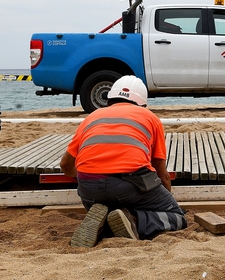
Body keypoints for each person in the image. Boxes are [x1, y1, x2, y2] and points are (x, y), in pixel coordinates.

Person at [60, 75, 187, 248]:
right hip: (129, 185)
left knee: (110, 205)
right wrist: (166, 202)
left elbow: (65, 166)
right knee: (176, 217)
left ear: (109, 99)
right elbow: (161, 173)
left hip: (89, 188)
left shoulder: (92, 117)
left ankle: (103, 222)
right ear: (142, 103)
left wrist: (92, 175)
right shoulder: (149, 117)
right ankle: (132, 220)